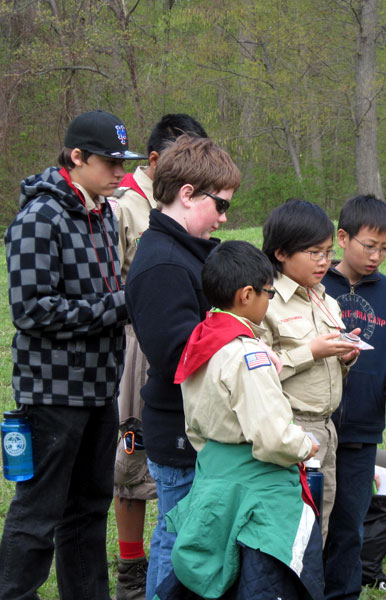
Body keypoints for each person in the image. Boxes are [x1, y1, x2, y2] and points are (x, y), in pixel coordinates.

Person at [0, 110, 145, 599]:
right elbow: (31, 310)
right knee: (38, 514)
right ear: (76, 156)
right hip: (53, 393)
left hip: (99, 388)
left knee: (88, 510)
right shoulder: (40, 217)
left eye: (123, 161)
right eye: (109, 162)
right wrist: (121, 305)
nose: (120, 172)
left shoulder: (101, 212)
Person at [154, 240, 323, 600]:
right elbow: (273, 438)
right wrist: (305, 444)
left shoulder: (202, 339)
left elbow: (195, 428)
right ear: (247, 294)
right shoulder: (247, 356)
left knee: (215, 577)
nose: (270, 300)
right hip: (258, 496)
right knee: (261, 584)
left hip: (213, 484)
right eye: (268, 293)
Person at [125, 134, 240, 599]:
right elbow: (177, 355)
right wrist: (238, 335)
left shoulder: (189, 253)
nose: (224, 217)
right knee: (180, 540)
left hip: (199, 426)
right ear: (188, 194)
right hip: (180, 428)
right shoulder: (164, 264)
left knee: (191, 536)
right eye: (220, 205)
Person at [112, 113, 209, 600]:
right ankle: (132, 569)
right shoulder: (125, 207)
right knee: (134, 460)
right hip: (139, 344)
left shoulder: (190, 219)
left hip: (178, 338)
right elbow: (111, 283)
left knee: (176, 504)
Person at [321, 194, 386, 600]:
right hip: (314, 428)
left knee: (350, 521)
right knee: (312, 519)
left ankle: (344, 593)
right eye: (369, 246)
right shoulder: (315, 285)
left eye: (385, 248)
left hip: (362, 431)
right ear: (343, 238)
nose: (377, 256)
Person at [261, 199, 361, 543]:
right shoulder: (265, 302)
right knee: (291, 528)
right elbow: (256, 374)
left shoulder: (325, 299)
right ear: (281, 252)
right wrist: (311, 352)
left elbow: (330, 368)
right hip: (290, 427)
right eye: (314, 253)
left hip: (326, 428)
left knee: (319, 523)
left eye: (328, 252)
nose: (324, 262)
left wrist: (346, 357)